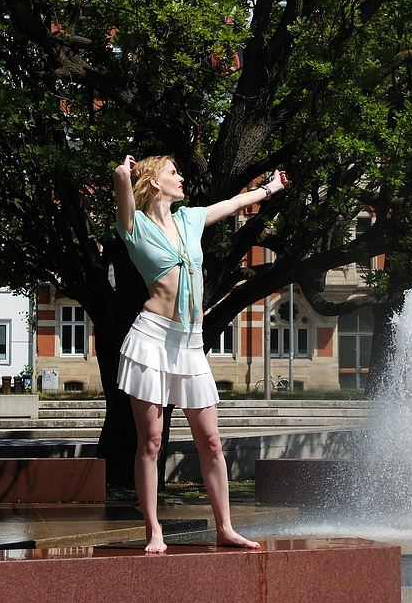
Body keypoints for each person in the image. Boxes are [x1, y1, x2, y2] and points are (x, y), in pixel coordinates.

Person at [113, 153, 287, 552]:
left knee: (210, 441)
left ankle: (225, 527)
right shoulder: (135, 226)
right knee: (151, 442)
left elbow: (230, 206)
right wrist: (124, 173)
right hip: (152, 340)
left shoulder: (189, 220)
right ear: (156, 183)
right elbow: (124, 192)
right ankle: (154, 530)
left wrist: (267, 189)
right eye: (174, 172)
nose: (181, 177)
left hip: (189, 343)